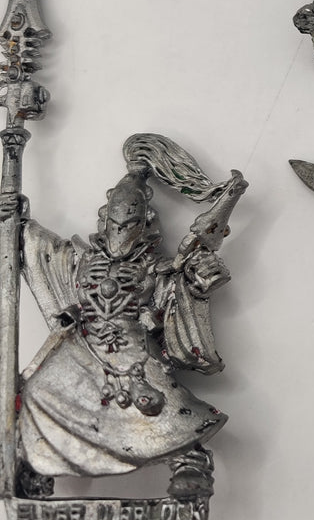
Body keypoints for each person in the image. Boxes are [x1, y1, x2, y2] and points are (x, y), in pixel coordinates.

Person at [1, 134, 245, 501]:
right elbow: (38, 247)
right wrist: (14, 218)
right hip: (81, 344)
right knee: (38, 391)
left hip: (134, 345)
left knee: (160, 402)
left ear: (144, 223)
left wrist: (197, 281)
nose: (120, 229)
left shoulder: (155, 267)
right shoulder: (81, 259)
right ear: (105, 220)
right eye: (115, 221)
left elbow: (175, 293)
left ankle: (189, 462)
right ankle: (40, 465)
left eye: (129, 221)